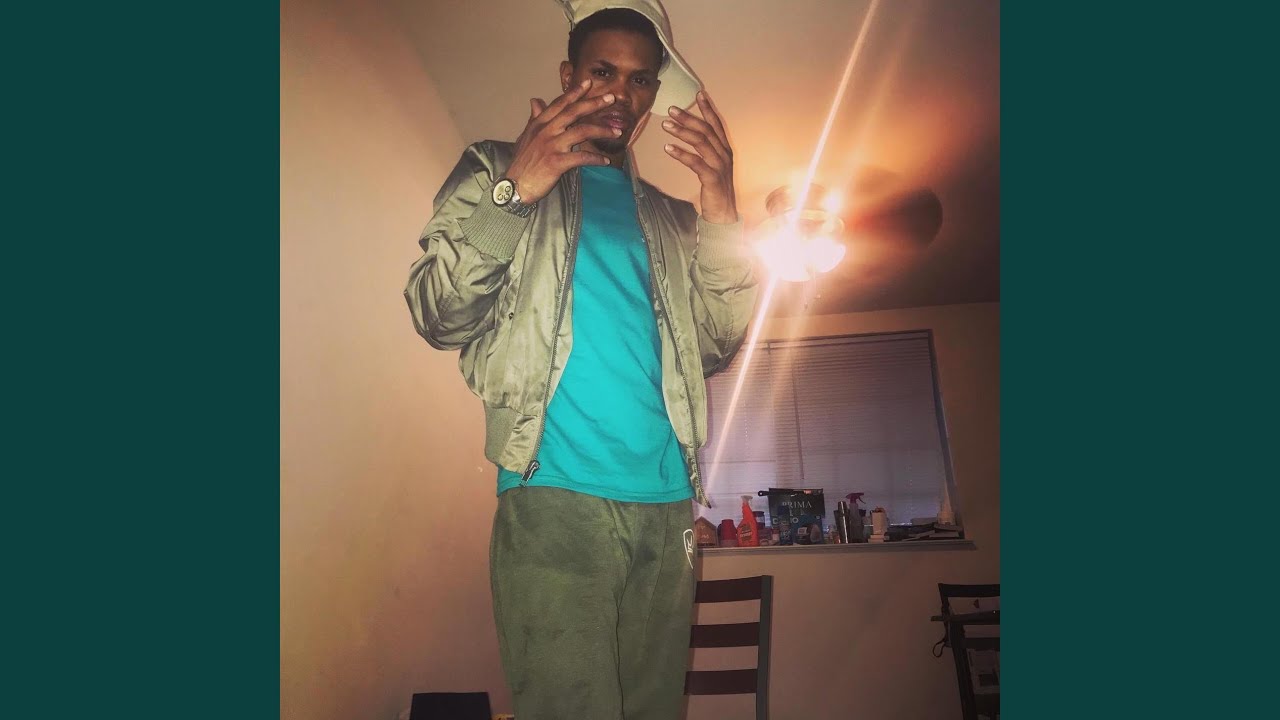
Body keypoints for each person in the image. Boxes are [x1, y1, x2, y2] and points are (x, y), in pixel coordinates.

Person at [404, 1, 758, 717]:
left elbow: (715, 345)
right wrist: (516, 192)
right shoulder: (494, 167)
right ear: (567, 75)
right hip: (554, 495)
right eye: (602, 72)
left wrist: (721, 206)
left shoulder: (673, 218)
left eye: (640, 79)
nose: (621, 94)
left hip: (666, 504)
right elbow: (438, 314)